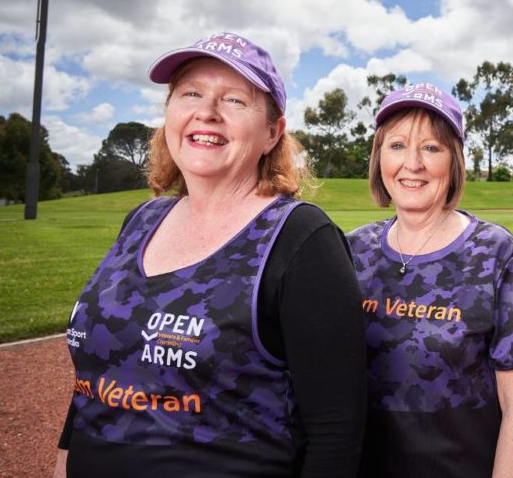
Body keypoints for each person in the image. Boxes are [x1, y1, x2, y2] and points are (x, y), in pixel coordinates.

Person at [54, 32, 366, 478]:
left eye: (235, 100)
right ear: (169, 115)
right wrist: (64, 460)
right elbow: (101, 367)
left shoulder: (301, 238)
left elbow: (336, 430)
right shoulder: (141, 220)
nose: (207, 111)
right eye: (191, 93)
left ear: (272, 133)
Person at [346, 84, 513, 477]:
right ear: (378, 157)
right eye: (398, 145)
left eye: (431, 148)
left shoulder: (495, 252)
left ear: (453, 161)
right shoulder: (353, 250)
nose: (413, 164)